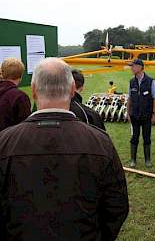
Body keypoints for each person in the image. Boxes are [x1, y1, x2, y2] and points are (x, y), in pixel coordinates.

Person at [0, 58, 128, 240]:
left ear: (34, 91)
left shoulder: (4, 142)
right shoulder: (100, 141)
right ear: (71, 90)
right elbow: (117, 205)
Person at [127, 59, 155, 168]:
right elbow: (129, 98)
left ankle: (147, 160)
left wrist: (154, 114)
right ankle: (133, 160)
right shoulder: (131, 82)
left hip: (146, 115)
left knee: (147, 137)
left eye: (133, 66)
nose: (131, 68)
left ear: (140, 67)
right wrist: (128, 113)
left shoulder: (150, 81)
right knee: (134, 137)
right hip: (135, 115)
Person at [0, 58, 31, 131]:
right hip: (10, 139)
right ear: (21, 76)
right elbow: (25, 126)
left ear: (3, 73)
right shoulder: (20, 97)